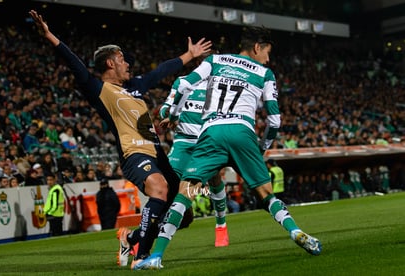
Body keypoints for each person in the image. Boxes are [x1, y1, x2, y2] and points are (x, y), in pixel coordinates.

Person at [29, 10, 211, 269]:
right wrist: (49, 36)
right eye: (122, 59)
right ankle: (142, 256)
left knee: (184, 215)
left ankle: (131, 238)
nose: (127, 63)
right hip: (133, 154)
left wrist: (189, 55)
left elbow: (159, 72)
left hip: (158, 155)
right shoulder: (99, 89)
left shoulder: (134, 88)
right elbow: (74, 64)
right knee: (159, 188)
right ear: (110, 63)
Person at [135, 26, 322, 270]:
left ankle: (156, 256)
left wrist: (171, 112)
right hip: (243, 131)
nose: (268, 58)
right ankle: (295, 231)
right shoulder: (265, 72)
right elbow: (275, 121)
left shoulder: (214, 60)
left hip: (211, 131)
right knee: (266, 194)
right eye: (267, 52)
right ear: (257, 47)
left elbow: (182, 86)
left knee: (185, 193)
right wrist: (262, 148)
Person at [159, 72, 230, 247]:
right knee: (166, 185)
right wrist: (170, 113)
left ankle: (221, 225)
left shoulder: (222, 84)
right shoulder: (183, 81)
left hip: (207, 141)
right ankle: (147, 233)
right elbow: (165, 108)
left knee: (214, 178)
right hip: (183, 142)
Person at [43, 172, 65, 236]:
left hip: (55, 215)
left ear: (55, 180)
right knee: (58, 233)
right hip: (57, 214)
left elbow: (54, 204)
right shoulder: (55, 189)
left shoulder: (55, 190)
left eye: (51, 180)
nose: (49, 182)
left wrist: (48, 213)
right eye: (48, 180)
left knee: (56, 234)